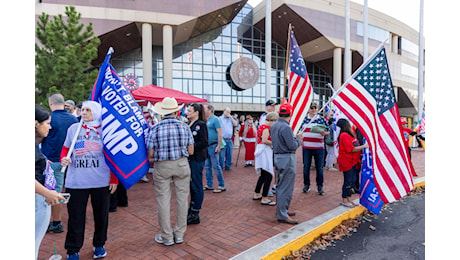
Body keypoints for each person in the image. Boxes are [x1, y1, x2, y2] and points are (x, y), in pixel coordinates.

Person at [60, 101, 118, 260]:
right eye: (83, 109)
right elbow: (66, 148)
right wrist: (64, 158)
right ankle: (73, 250)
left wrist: (114, 178)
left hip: (101, 180)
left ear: (96, 112)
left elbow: (113, 156)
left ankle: (99, 245)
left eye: (88, 110)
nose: (84, 112)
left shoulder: (105, 130)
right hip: (76, 182)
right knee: (75, 217)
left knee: (101, 216)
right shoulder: (73, 128)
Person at [146, 97, 194, 246]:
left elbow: (150, 154)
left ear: (162, 112)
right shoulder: (184, 127)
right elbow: (191, 151)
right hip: (181, 164)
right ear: (176, 111)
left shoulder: (155, 128)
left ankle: (166, 236)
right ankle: (179, 234)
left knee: (163, 201)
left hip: (162, 166)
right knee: (182, 200)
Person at [41, 93, 78, 234]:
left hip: (53, 160)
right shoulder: (73, 119)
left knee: (54, 191)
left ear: (50, 103)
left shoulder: (49, 120)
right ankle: (76, 215)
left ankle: (56, 222)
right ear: (64, 103)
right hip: (71, 160)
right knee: (70, 190)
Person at [35, 105, 65, 260]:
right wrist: (48, 193)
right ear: (35, 123)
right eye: (47, 123)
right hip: (37, 198)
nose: (50, 127)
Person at [271, 103, 302, 225]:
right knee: (286, 186)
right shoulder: (286, 128)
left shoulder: (274, 126)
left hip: (278, 156)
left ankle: (282, 209)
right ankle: (282, 213)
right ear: (290, 114)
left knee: (281, 184)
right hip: (287, 157)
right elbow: (292, 146)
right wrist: (299, 139)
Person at [336, 119, 368, 208]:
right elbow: (351, 149)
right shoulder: (344, 135)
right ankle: (344, 199)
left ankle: (348, 198)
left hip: (353, 161)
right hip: (347, 161)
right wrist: (364, 146)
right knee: (348, 181)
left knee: (352, 180)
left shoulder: (350, 135)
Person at [186, 103, 208, 225]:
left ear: (196, 112)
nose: (187, 112)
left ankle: (195, 212)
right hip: (191, 158)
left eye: (190, 110)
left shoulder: (201, 125)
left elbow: (204, 142)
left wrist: (191, 147)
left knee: (196, 184)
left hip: (197, 158)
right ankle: (192, 208)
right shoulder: (189, 124)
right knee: (192, 185)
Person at [300, 102, 329, 195]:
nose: (313, 109)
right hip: (307, 147)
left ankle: (320, 187)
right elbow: (298, 131)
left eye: (315, 107)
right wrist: (300, 138)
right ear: (308, 109)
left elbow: (328, 131)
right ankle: (306, 185)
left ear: (317, 109)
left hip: (319, 147)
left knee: (320, 168)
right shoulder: (304, 119)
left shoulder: (322, 119)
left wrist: (324, 133)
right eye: (311, 108)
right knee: (306, 167)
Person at [253, 112, 279, 206]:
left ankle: (257, 193)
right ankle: (264, 197)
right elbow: (265, 140)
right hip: (265, 152)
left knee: (263, 175)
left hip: (262, 150)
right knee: (268, 174)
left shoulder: (262, 126)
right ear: (272, 120)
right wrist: (275, 143)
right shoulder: (266, 128)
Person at [203, 104, 226, 193]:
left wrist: (219, 146)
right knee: (207, 166)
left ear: (210, 110)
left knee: (216, 166)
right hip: (207, 146)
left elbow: (220, 133)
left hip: (213, 145)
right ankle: (209, 184)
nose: (203, 111)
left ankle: (221, 184)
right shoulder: (206, 120)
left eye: (205, 109)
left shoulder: (215, 119)